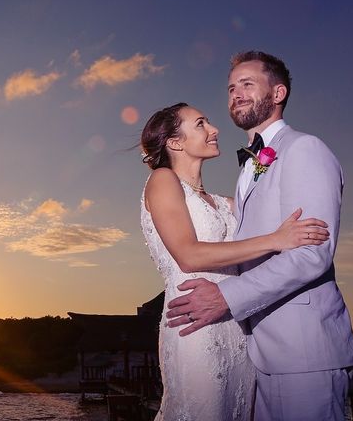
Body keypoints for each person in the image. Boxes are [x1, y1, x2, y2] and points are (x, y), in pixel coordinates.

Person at [165, 51, 353, 421]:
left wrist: (226, 296)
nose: (236, 93)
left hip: (304, 350)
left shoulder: (304, 149)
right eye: (232, 87)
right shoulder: (250, 168)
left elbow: (311, 253)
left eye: (248, 84)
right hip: (257, 351)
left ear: (278, 93)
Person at [140, 102, 330, 420]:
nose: (214, 129)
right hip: (195, 328)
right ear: (175, 142)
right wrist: (276, 239)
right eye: (200, 124)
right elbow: (188, 255)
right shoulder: (163, 180)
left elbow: (260, 194)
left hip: (236, 327)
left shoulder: (223, 203)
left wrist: (266, 152)